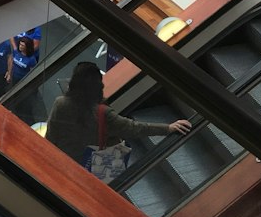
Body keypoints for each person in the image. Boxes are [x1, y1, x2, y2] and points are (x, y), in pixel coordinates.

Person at [47, 63, 191, 173]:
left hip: (62, 163)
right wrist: (168, 128)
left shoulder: (60, 103)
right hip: (91, 167)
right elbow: (134, 128)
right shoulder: (103, 114)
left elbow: (51, 135)